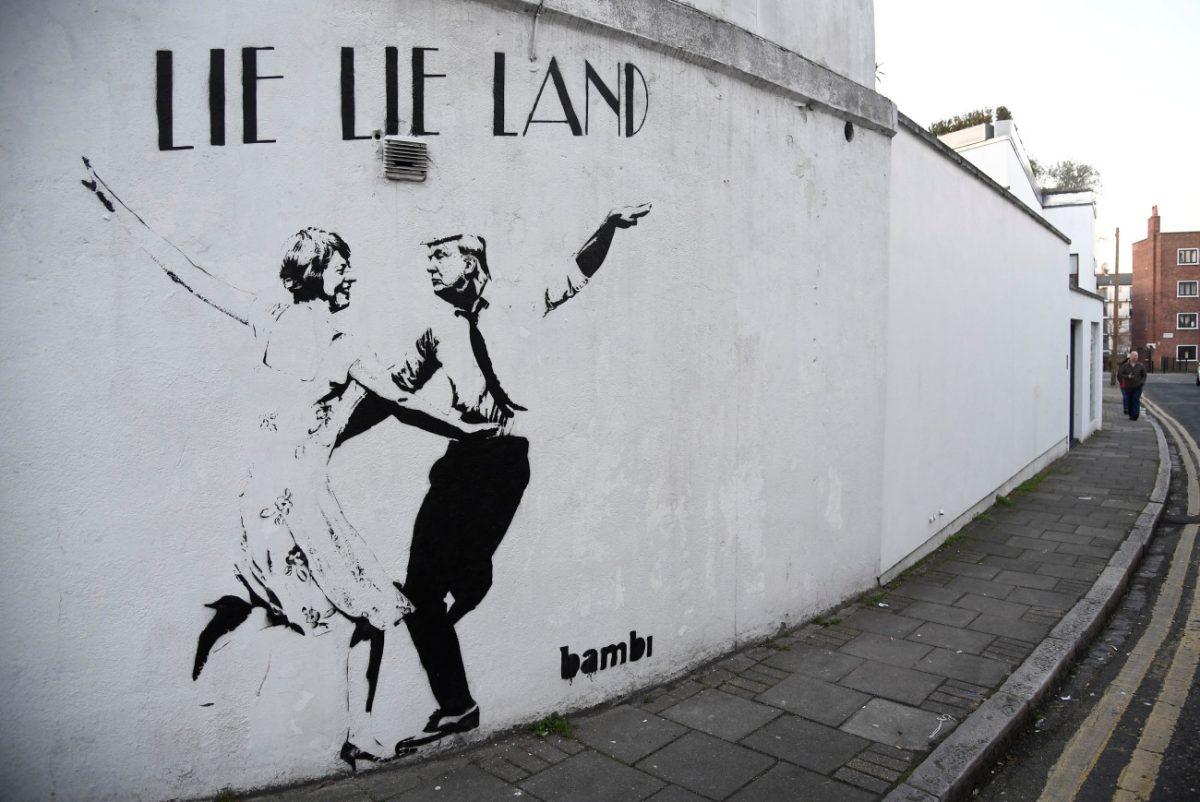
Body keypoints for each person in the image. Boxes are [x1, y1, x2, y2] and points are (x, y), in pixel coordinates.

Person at [79, 158, 496, 767]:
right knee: (373, 612)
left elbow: (184, 271)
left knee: (327, 610)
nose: (352, 276)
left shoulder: (267, 317)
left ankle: (255, 632)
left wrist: (112, 203)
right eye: (343, 268)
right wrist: (467, 428)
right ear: (320, 276)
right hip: (303, 502)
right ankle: (355, 729)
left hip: (259, 498)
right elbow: (404, 403)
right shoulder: (343, 345)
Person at [338, 203, 651, 748]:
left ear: (470, 260)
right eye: (427, 259)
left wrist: (606, 227)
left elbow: (577, 271)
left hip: (503, 461)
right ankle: (457, 702)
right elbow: (392, 392)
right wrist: (335, 433)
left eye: (440, 257)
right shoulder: (437, 331)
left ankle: (465, 618)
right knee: (421, 594)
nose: (430, 267)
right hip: (460, 461)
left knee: (432, 589)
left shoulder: (518, 298)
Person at [1118, 348, 1147, 420]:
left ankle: (1136, 414)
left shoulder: (1141, 366)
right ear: (1130, 356)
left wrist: (1142, 383)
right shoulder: (1125, 366)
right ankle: (1131, 415)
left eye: (1136, 356)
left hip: (1137, 387)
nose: (1135, 357)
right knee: (1130, 401)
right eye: (1134, 356)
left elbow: (1144, 375)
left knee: (1136, 399)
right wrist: (1127, 376)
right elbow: (1120, 375)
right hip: (1127, 387)